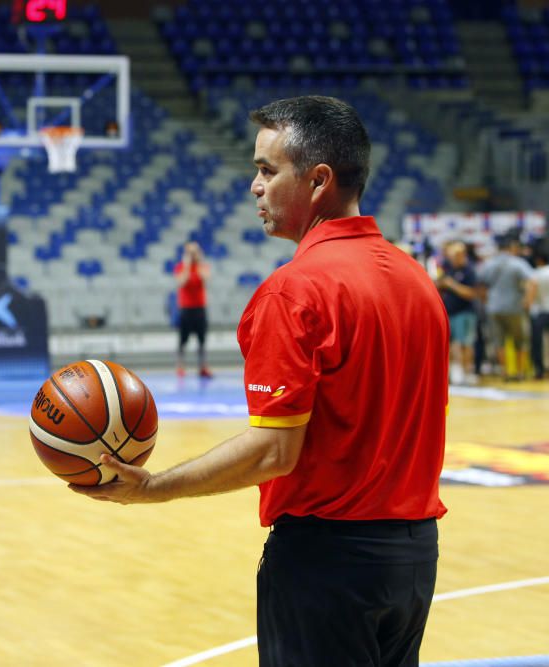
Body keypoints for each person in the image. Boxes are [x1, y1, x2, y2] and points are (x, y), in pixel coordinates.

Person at [73, 96, 449, 666]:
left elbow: (274, 451)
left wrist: (153, 487)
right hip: (414, 558)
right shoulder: (416, 279)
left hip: (329, 561)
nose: (254, 186)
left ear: (319, 179)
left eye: (267, 170)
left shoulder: (294, 291)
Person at [478, 233, 537, 380]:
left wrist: (487, 301)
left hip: (494, 308)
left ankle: (504, 372)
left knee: (499, 342)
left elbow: (480, 286)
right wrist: (528, 301)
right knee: (520, 341)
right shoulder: (518, 263)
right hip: (514, 307)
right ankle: (519, 372)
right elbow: (533, 282)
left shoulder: (489, 264)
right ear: (512, 248)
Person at [436, 240, 480, 384]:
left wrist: (452, 285)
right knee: (452, 344)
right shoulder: (450, 269)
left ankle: (467, 373)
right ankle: (455, 372)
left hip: (465, 312)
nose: (452, 259)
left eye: (454, 256)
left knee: (465, 343)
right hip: (450, 312)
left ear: (461, 255)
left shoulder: (469, 270)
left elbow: (471, 293)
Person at [173, 240, 212, 378]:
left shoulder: (202, 267)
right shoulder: (181, 267)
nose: (193, 255)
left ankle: (203, 367)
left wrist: (199, 262)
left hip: (199, 308)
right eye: (190, 252)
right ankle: (180, 367)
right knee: (183, 340)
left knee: (202, 340)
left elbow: (205, 278)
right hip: (186, 308)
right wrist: (187, 265)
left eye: (195, 252)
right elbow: (181, 281)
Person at [530, 246, 549, 379]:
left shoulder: (536, 273)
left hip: (539, 312)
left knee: (537, 343)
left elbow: (532, 291)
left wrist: (527, 304)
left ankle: (539, 370)